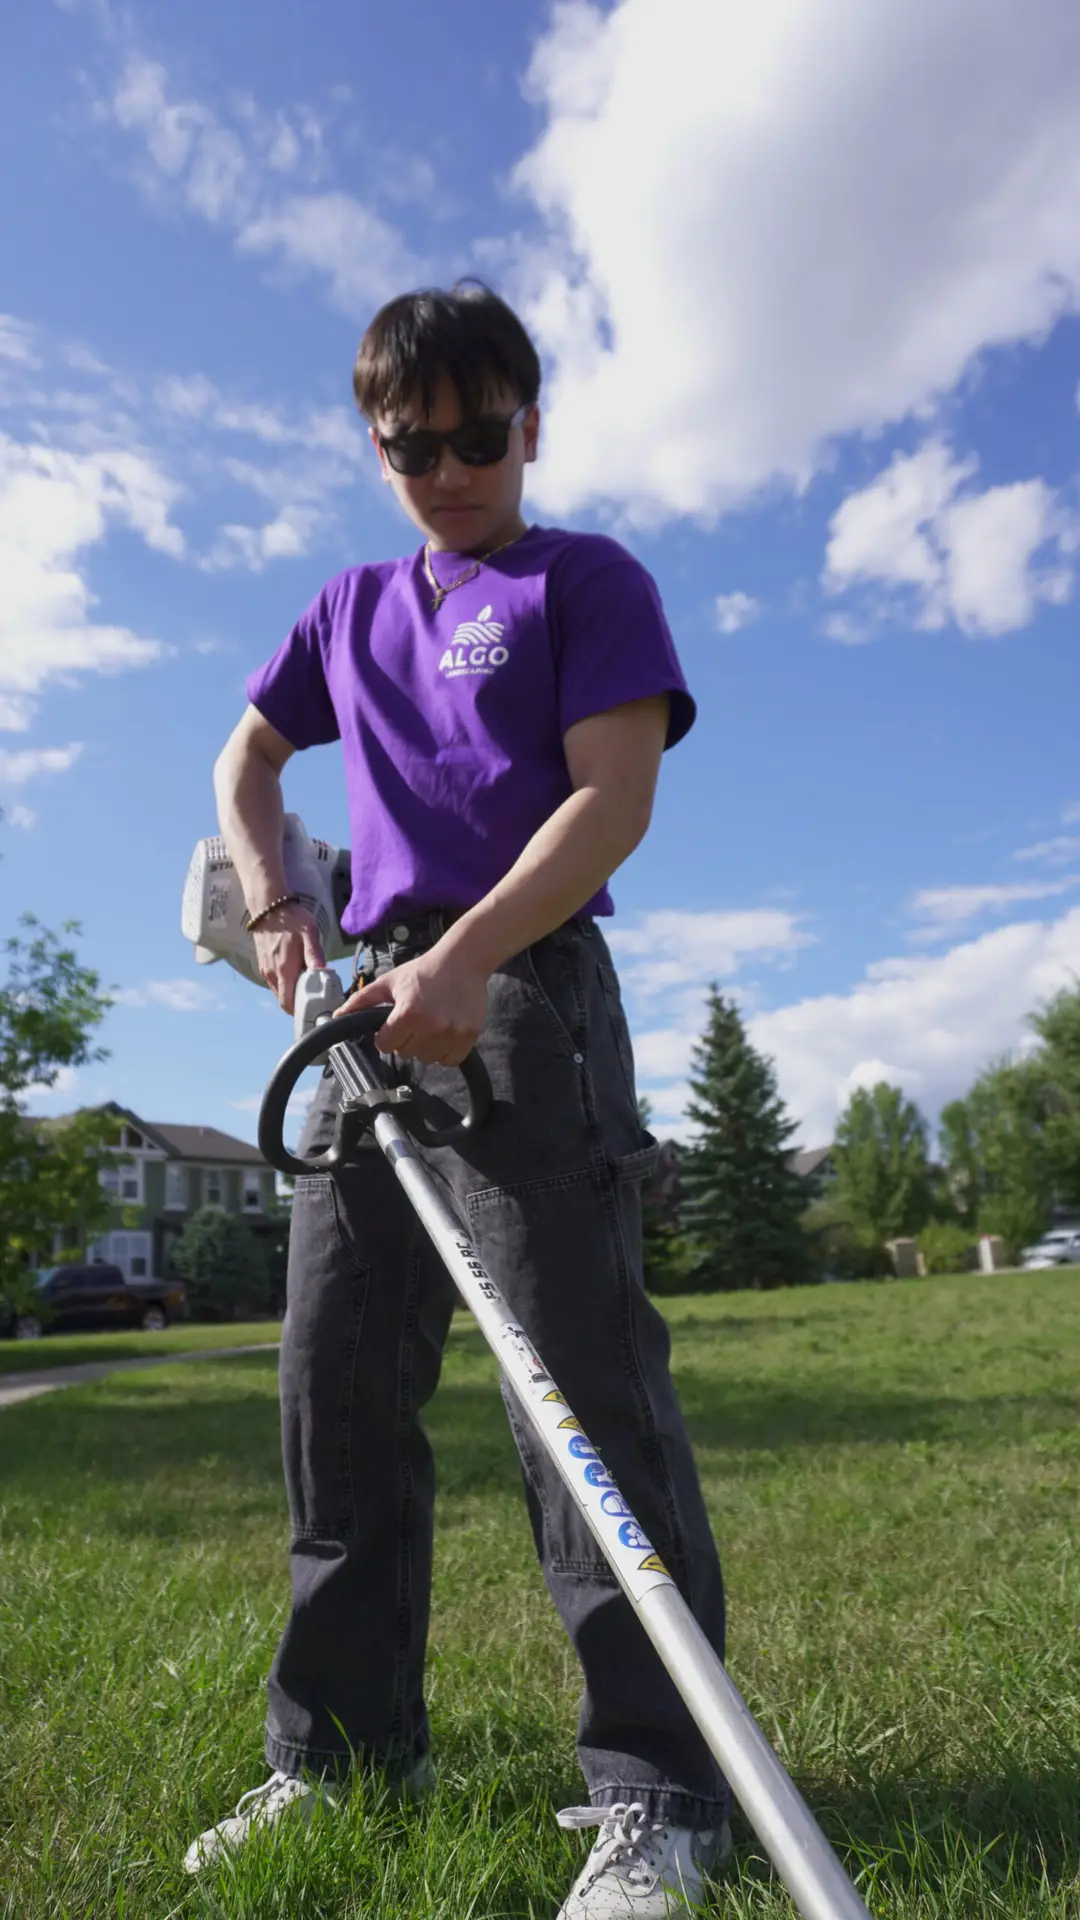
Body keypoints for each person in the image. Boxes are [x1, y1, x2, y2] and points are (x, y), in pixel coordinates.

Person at [186, 281, 732, 1918]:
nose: (448, 470)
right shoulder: (347, 606)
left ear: (531, 426)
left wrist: (475, 956)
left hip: (526, 994)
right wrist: (289, 907)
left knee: (575, 1390)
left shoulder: (586, 581)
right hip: (365, 1004)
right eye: (411, 446)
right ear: (377, 447)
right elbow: (243, 765)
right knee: (334, 1388)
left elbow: (612, 798)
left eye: (478, 437)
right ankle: (341, 1756)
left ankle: (662, 1798)